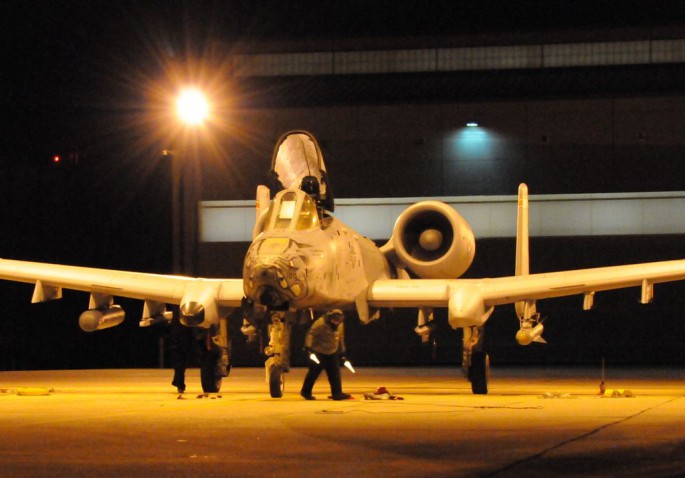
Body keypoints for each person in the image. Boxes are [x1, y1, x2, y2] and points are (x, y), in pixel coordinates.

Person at [300, 309, 352, 400]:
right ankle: (305, 391)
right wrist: (308, 347)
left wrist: (342, 352)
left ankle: (337, 393)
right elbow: (311, 334)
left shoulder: (340, 324)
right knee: (313, 373)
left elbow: (340, 337)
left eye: (338, 321)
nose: (336, 323)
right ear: (330, 318)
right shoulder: (320, 323)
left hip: (333, 352)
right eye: (335, 321)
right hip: (320, 352)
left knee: (335, 374)